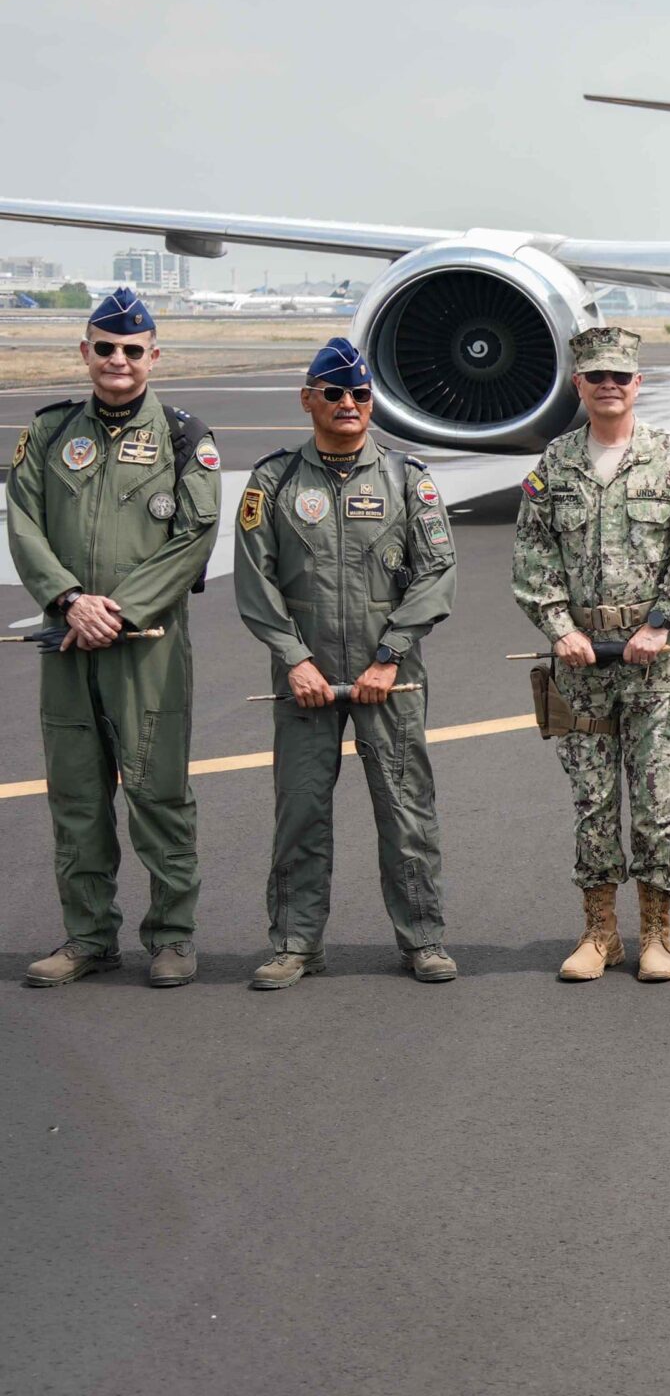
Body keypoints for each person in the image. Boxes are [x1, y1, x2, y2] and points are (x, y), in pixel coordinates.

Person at [9, 288, 222, 989]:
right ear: (86, 353)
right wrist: (71, 601)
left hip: (148, 648)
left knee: (158, 795)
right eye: (106, 348)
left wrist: (119, 612)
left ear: (154, 356)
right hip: (67, 642)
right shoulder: (48, 433)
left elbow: (195, 536)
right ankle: (89, 937)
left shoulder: (185, 438)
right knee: (76, 798)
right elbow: (23, 522)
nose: (118, 360)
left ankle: (172, 936)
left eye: (133, 349)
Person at [232, 338, 459, 989]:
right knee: (300, 812)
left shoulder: (406, 478)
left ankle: (423, 938)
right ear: (308, 399)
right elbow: (255, 580)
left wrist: (389, 656)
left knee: (406, 810)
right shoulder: (273, 481)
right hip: (303, 678)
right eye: (333, 393)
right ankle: (296, 942)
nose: (348, 404)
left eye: (359, 394)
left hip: (389, 677)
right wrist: (293, 659)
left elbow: (437, 571)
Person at [511, 326, 670, 984]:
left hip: (656, 663)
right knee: (594, 805)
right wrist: (558, 627)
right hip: (582, 668)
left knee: (655, 806)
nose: (608, 386)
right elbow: (533, 557)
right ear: (578, 384)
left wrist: (659, 622)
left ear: (638, 383)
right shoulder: (555, 464)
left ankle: (658, 933)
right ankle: (601, 933)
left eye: (620, 377)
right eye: (596, 376)